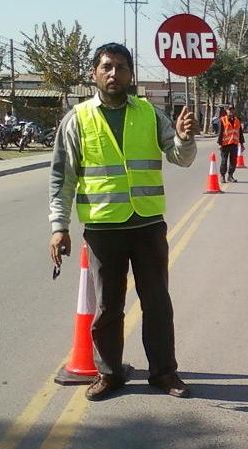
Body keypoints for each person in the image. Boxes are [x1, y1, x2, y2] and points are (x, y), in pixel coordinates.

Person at [48, 42, 198, 402]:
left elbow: (181, 158)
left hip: (147, 225)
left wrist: (185, 138)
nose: (114, 73)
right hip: (103, 229)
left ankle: (164, 372)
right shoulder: (77, 119)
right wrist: (59, 227)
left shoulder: (149, 113)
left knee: (157, 302)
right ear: (94, 73)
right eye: (107, 66)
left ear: (131, 74)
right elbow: (61, 177)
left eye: (121, 67)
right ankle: (110, 373)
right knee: (108, 308)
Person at [216, 104, 245, 183]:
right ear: (226, 111)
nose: (231, 111)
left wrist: (242, 144)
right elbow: (220, 133)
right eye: (229, 110)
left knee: (233, 161)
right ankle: (222, 176)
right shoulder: (222, 120)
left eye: (232, 110)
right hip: (225, 145)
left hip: (234, 144)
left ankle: (230, 176)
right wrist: (220, 144)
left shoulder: (237, 121)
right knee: (224, 161)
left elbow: (240, 133)